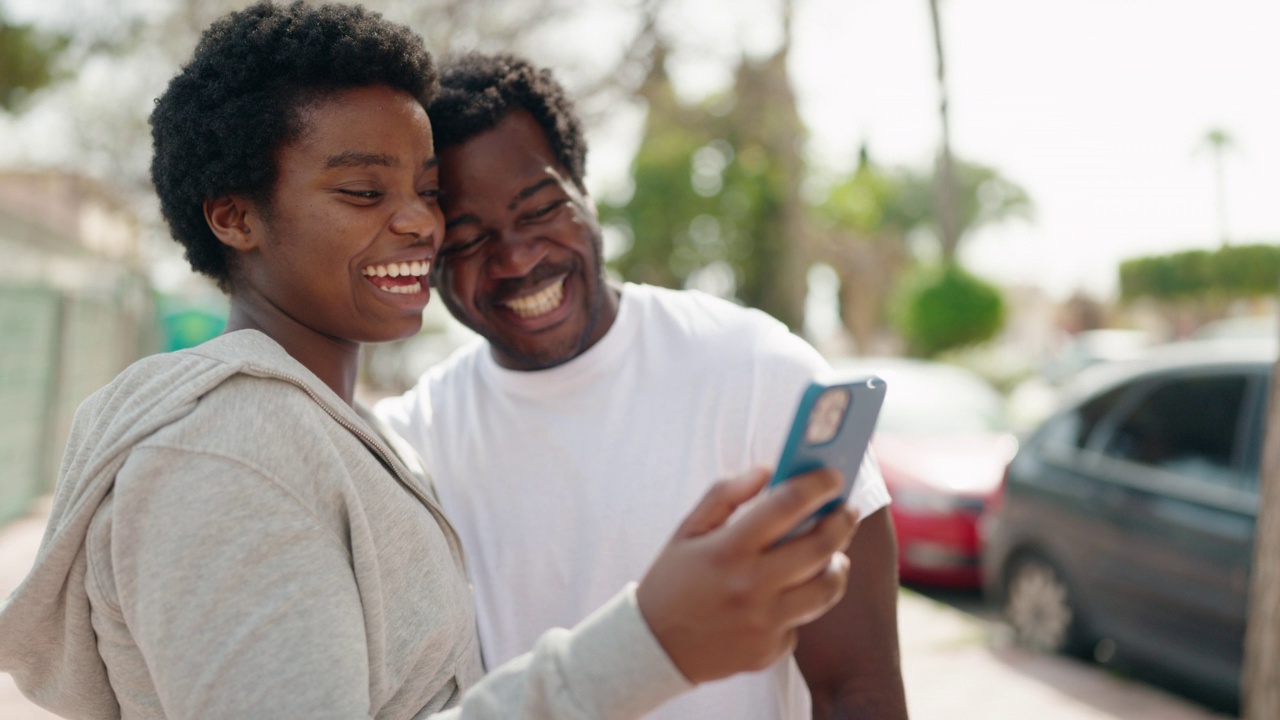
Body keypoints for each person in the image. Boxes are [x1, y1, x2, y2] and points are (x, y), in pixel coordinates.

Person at [0, 4, 861, 718]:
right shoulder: (228, 451)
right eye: (365, 192)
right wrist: (649, 646)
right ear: (234, 217)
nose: (419, 223)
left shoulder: (338, 432)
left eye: (425, 190)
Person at [375, 53, 909, 719]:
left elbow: (856, 690)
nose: (515, 257)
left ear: (584, 192)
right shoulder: (413, 444)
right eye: (468, 239)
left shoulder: (757, 372)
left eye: (540, 209)